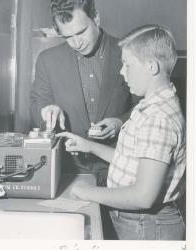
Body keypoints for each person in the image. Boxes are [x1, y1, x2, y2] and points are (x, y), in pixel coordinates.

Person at [57, 24, 186, 240]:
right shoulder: (150, 107)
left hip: (147, 226)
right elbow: (131, 160)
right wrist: (88, 145)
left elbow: (143, 196)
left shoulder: (158, 118)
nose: (121, 71)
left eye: (127, 65)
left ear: (151, 67)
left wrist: (86, 192)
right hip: (138, 223)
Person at [30, 0, 139, 183]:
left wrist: (120, 122)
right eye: (67, 37)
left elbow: (145, 106)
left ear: (96, 17)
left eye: (81, 32)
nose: (76, 43)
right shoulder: (47, 60)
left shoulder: (130, 53)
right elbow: (36, 105)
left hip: (122, 165)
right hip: (69, 169)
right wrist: (47, 110)